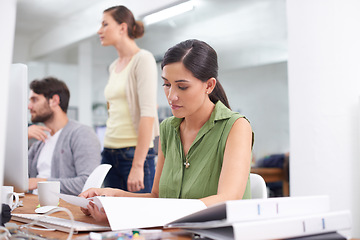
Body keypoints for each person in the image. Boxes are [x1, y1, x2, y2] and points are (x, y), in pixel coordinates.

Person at [80, 39, 253, 222]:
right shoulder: (168, 128)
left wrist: (127, 212)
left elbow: (227, 200)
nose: (171, 96)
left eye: (182, 86)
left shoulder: (236, 127)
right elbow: (157, 197)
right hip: (176, 233)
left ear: (209, 85)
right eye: (167, 84)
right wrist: (112, 197)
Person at [97, 5, 159, 193]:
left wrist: (138, 166)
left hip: (133, 154)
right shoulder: (113, 66)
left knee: (141, 220)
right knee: (110, 219)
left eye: (105, 24)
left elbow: (148, 113)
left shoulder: (143, 59)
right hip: (109, 151)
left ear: (122, 28)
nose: (100, 31)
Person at [28, 77, 102, 196]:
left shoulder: (82, 133)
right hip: (32, 207)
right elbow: (16, 178)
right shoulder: (40, 143)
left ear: (54, 100)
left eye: (34, 100)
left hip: (61, 210)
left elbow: (88, 184)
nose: (29, 106)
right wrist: (21, 139)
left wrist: (41, 183)